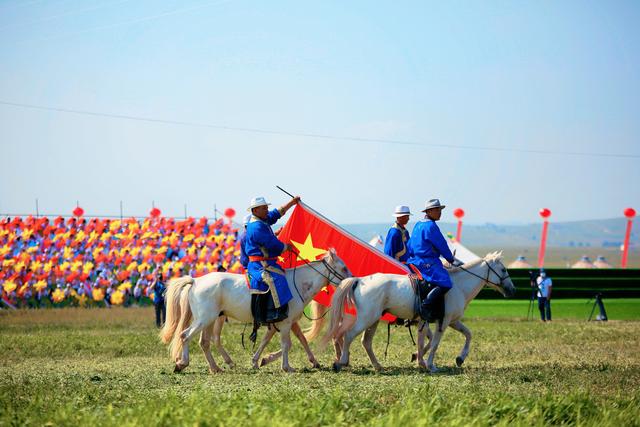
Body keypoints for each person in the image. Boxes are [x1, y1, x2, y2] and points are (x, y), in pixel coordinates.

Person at [245, 195, 299, 325]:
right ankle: (272, 313)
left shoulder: (261, 220)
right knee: (276, 278)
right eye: (264, 208)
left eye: (266, 208)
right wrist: (287, 247)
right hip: (259, 264)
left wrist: (291, 203)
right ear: (255, 210)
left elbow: (275, 214)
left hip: (267, 262)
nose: (267, 210)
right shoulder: (256, 227)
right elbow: (273, 244)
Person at [407, 199, 463, 322]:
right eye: (437, 210)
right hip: (427, 262)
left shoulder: (418, 224)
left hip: (414, 260)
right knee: (446, 282)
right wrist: (450, 258)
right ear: (430, 211)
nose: (440, 212)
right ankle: (426, 306)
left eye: (440, 210)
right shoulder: (431, 226)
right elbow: (441, 244)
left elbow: (410, 243)